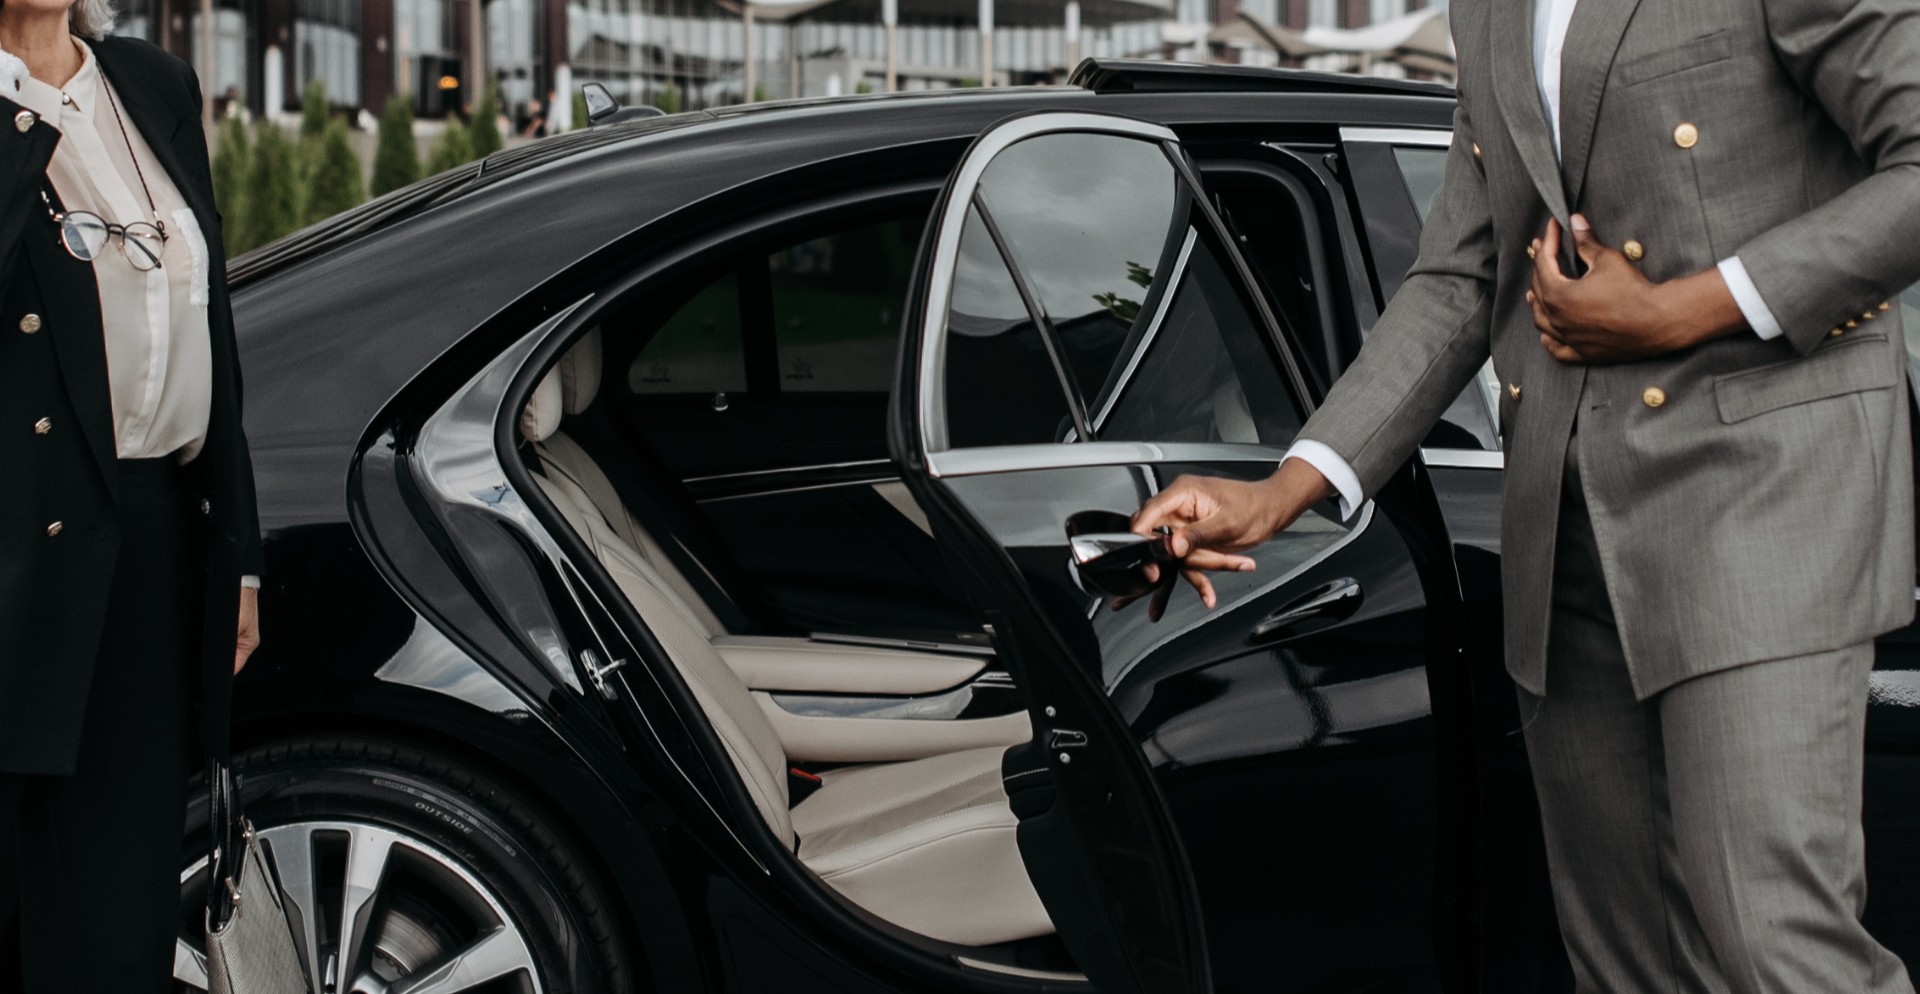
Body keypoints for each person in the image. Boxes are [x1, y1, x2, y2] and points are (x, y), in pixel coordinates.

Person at [1133, 0, 1920, 990]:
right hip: (1566, 528)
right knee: (1622, 959)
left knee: (1773, 944)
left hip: (1762, 506)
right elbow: (1461, 273)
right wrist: (1285, 488)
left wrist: (1681, 310)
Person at [0, 0, 263, 988]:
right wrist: (26, 103)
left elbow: (211, 330)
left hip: (146, 534)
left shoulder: (149, 83)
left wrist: (238, 551)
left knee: (116, 919)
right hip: (17, 534)